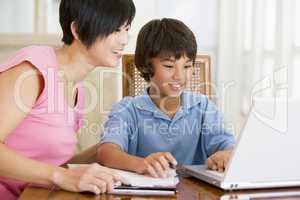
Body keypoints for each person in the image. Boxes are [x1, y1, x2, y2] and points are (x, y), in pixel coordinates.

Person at [0, 0, 135, 198]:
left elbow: (54, 162)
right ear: (78, 30)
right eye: (115, 29)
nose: (124, 40)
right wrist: (61, 177)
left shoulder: (78, 89)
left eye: (126, 29)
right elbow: (59, 173)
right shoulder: (33, 70)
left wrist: (113, 146)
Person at [97, 18, 235, 178]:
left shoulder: (203, 107)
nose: (180, 76)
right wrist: (141, 164)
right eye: (169, 66)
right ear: (145, 66)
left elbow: (228, 145)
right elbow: (106, 152)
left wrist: (226, 154)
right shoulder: (127, 110)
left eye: (187, 66)